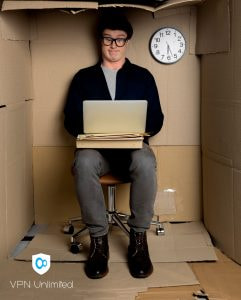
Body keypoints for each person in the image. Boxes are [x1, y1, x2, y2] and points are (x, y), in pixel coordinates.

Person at [64, 11, 164, 279]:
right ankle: (99, 241)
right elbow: (70, 120)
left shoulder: (143, 77)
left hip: (132, 149)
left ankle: (138, 240)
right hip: (97, 151)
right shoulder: (83, 77)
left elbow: (157, 119)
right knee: (83, 161)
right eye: (108, 39)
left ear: (127, 42)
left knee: (145, 159)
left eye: (119, 40)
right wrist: (91, 131)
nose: (113, 45)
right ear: (100, 41)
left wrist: (141, 129)